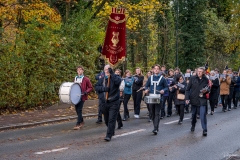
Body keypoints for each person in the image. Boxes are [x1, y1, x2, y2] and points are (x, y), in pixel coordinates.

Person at [95, 65, 122, 141]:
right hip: (104, 102)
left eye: (108, 69)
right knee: (106, 119)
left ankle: (108, 135)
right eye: (105, 70)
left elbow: (118, 82)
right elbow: (96, 87)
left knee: (111, 119)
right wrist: (104, 89)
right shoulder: (102, 79)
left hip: (113, 102)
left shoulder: (115, 78)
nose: (107, 71)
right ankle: (111, 130)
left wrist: (112, 74)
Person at [185, 67, 209, 136]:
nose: (199, 72)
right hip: (194, 99)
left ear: (203, 72)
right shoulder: (192, 78)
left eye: (200, 71)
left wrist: (206, 90)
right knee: (193, 114)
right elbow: (187, 89)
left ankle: (204, 129)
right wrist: (187, 98)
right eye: (198, 71)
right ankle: (193, 125)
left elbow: (208, 88)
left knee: (202, 115)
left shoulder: (206, 79)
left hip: (202, 99)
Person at [144, 64, 168, 135]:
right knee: (152, 113)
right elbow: (146, 86)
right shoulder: (150, 78)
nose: (156, 70)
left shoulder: (162, 78)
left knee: (157, 113)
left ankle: (155, 128)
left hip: (159, 98)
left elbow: (166, 87)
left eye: (158, 69)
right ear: (153, 70)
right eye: (155, 68)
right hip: (151, 97)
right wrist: (146, 89)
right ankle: (156, 127)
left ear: (160, 70)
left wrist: (163, 90)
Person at [73, 66, 93, 130]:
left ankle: (78, 123)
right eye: (78, 70)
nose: (79, 71)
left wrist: (86, 92)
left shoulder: (86, 79)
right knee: (76, 109)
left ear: (83, 71)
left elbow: (90, 87)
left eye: (80, 70)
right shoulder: (75, 78)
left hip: (82, 96)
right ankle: (81, 121)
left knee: (79, 109)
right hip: (76, 96)